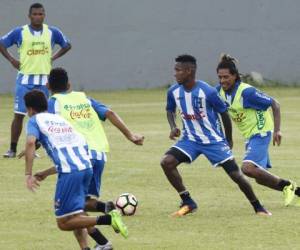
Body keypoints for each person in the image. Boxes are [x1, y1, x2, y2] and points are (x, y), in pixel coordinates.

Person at [38, 67, 144, 249]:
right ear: (69, 85)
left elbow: (48, 126)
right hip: (99, 154)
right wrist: (130, 135)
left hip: (79, 155)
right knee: (81, 206)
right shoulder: (83, 98)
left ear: (47, 85)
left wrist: (36, 147)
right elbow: (109, 113)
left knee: (70, 212)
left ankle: (107, 214)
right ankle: (103, 241)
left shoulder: (53, 103)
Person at [160, 54, 271, 217]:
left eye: (178, 70)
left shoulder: (208, 91)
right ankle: (188, 201)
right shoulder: (173, 91)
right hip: (189, 140)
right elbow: (169, 110)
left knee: (236, 175)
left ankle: (258, 206)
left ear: (189, 71)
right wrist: (173, 126)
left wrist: (228, 139)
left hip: (213, 141)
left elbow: (224, 113)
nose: (174, 73)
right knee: (167, 162)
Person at [24, 90, 128, 250]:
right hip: (86, 168)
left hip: (71, 173)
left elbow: (31, 143)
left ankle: (108, 219)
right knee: (75, 213)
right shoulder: (61, 121)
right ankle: (98, 244)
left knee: (64, 222)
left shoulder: (34, 120)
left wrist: (28, 174)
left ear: (30, 109)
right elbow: (73, 154)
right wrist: (45, 173)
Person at [216, 54, 300, 206]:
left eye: (226, 77)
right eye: (220, 77)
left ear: (235, 76)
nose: (222, 81)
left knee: (248, 168)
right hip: (250, 135)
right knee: (260, 178)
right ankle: (296, 191)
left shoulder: (246, 92)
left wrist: (277, 130)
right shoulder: (220, 92)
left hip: (261, 131)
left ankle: (288, 185)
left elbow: (275, 104)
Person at [0, 3, 71, 158]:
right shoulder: (20, 32)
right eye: (35, 14)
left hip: (44, 81)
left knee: (41, 116)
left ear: (44, 15)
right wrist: (12, 59)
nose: (38, 17)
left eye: (41, 14)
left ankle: (35, 148)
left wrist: (53, 57)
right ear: (29, 16)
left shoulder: (52, 32)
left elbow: (67, 45)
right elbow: (1, 43)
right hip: (25, 79)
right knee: (19, 114)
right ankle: (12, 149)